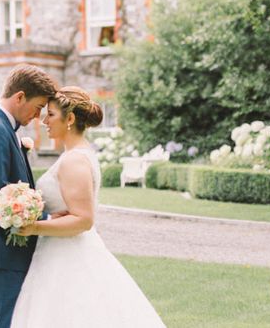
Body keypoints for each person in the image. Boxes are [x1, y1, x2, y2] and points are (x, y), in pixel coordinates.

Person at [11, 86, 166, 328]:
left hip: (69, 257)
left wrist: (33, 227)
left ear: (69, 119)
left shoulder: (74, 160)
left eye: (50, 114)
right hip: (58, 253)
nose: (43, 121)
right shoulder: (77, 154)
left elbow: (83, 220)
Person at [0, 64, 57, 328]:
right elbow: (0, 196)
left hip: (10, 247)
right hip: (1, 248)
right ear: (19, 97)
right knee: (7, 322)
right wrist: (48, 218)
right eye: (38, 106)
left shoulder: (3, 128)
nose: (39, 115)